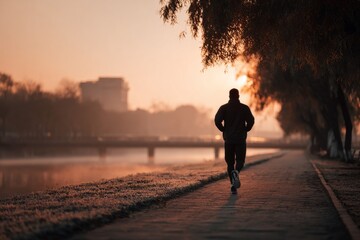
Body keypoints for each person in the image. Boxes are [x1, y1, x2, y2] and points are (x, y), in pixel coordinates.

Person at [214, 88, 254, 194]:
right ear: (238, 96)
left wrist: (223, 129)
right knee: (240, 160)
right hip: (240, 139)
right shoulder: (244, 108)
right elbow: (251, 121)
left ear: (229, 96)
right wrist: (246, 129)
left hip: (229, 139)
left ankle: (233, 186)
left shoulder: (224, 108)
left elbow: (217, 120)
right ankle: (237, 172)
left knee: (230, 163)